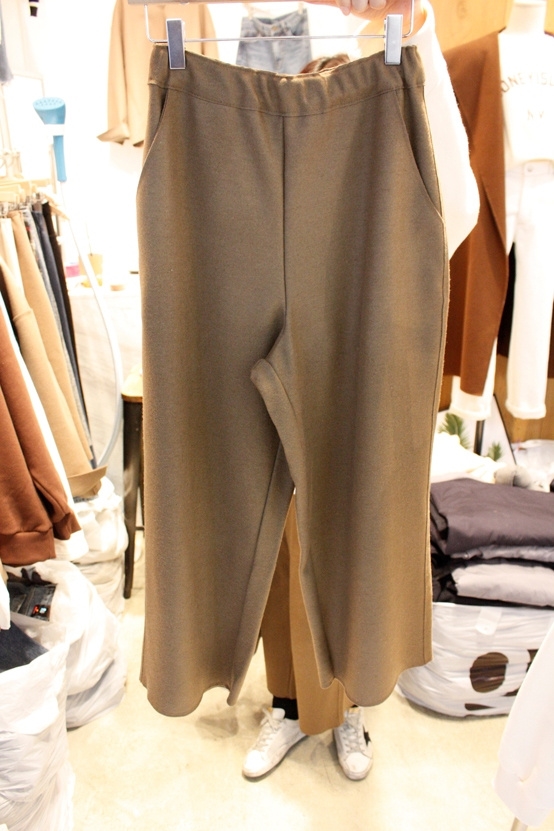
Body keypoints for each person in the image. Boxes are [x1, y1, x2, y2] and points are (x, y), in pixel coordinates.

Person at [242, 0, 480, 781]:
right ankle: (288, 705)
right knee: (283, 551)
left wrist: (420, 33)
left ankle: (350, 711)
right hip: (282, 374)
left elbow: (456, 205)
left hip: (362, 383)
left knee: (360, 541)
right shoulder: (275, 193)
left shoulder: (391, 191)